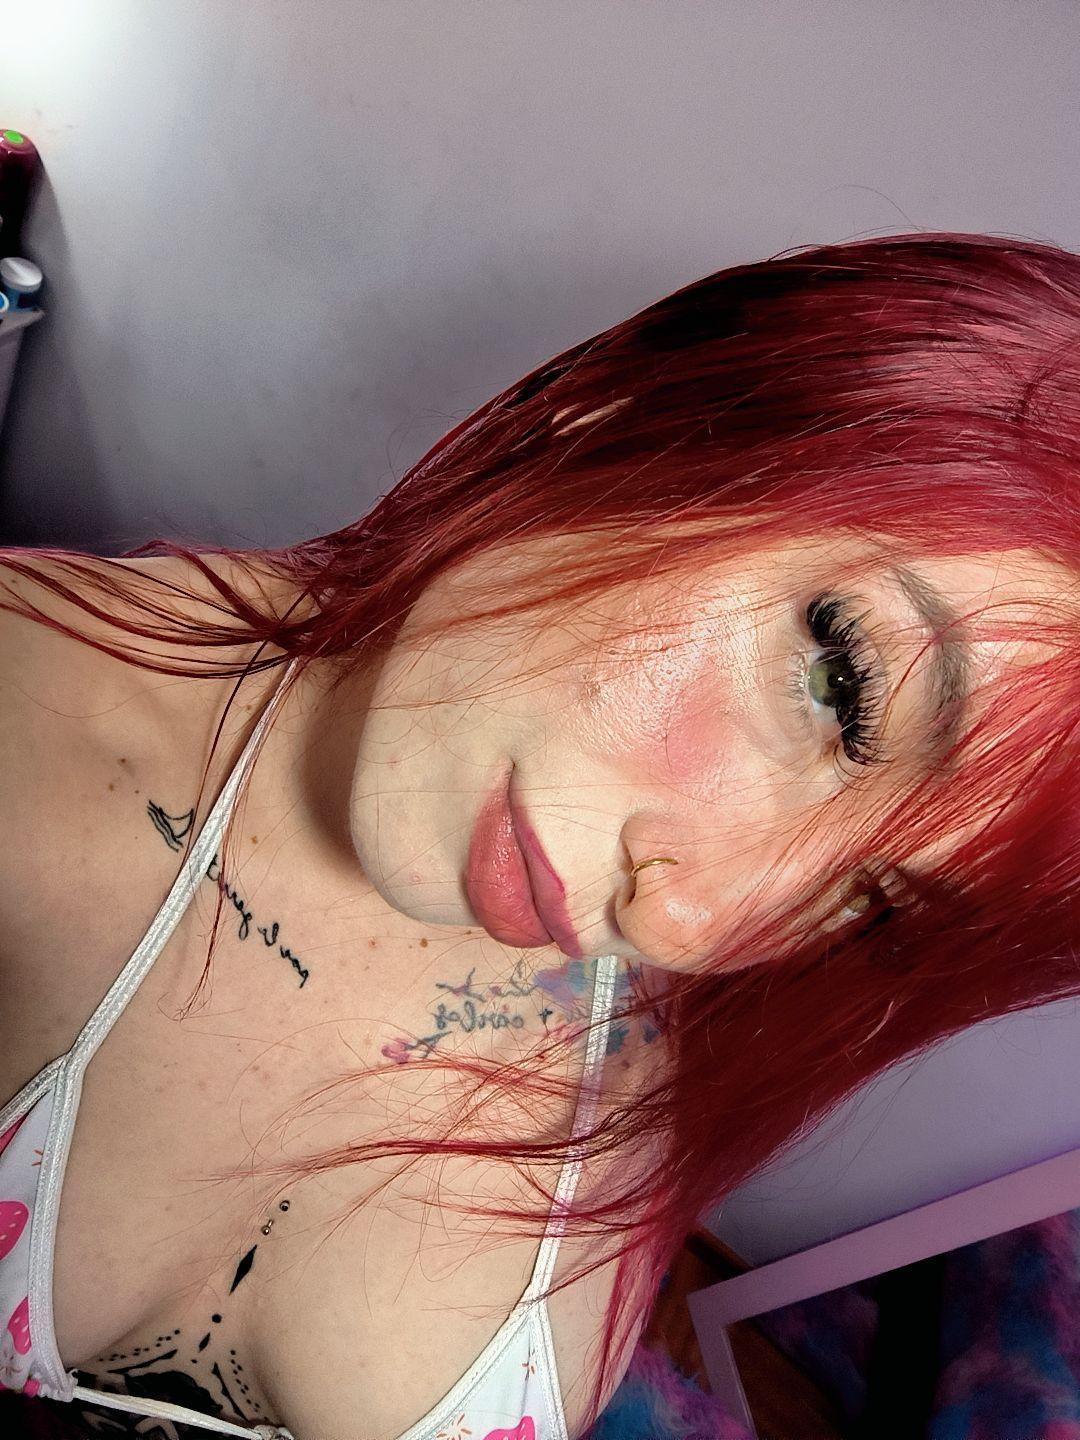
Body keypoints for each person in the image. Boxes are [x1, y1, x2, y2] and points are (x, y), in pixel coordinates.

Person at [1, 230, 1078, 1440]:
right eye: (842, 683)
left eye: (876, 897)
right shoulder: (27, 724)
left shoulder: (655, 1053)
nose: (684, 922)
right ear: (632, 419)